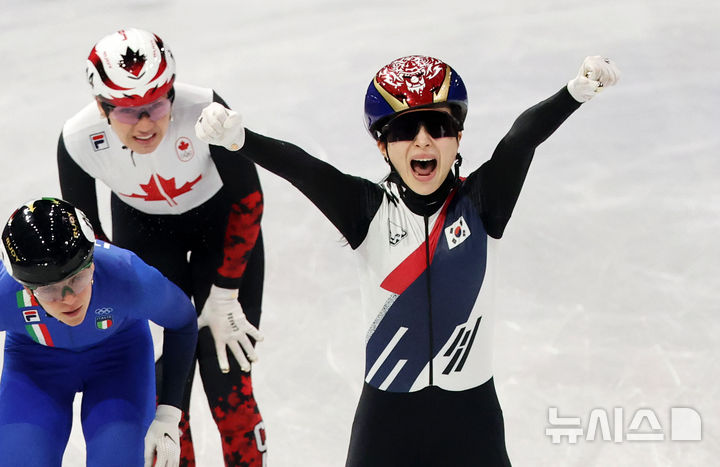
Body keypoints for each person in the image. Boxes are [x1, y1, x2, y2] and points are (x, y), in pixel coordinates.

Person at [195, 54, 620, 466]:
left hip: (471, 422)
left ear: (458, 137)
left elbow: (519, 141)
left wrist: (572, 93)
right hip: (386, 423)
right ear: (382, 146)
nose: (422, 140)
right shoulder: (366, 210)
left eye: (438, 126)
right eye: (403, 130)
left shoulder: (483, 203)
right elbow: (304, 168)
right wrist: (240, 139)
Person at [57, 28, 267, 466]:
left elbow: (248, 200)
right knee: (163, 395)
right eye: (127, 111)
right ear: (101, 106)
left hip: (220, 233)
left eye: (156, 104)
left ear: (172, 92)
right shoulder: (77, 139)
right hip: (145, 240)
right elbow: (90, 243)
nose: (145, 123)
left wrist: (225, 293)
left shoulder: (205, 109)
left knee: (228, 382)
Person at [0, 197, 198, 466]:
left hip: (118, 360)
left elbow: (183, 322)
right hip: (35, 364)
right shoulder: (4, 295)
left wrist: (169, 415)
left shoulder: (128, 276)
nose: (69, 298)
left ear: (92, 263)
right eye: (49, 290)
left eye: (77, 278)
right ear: (25, 288)